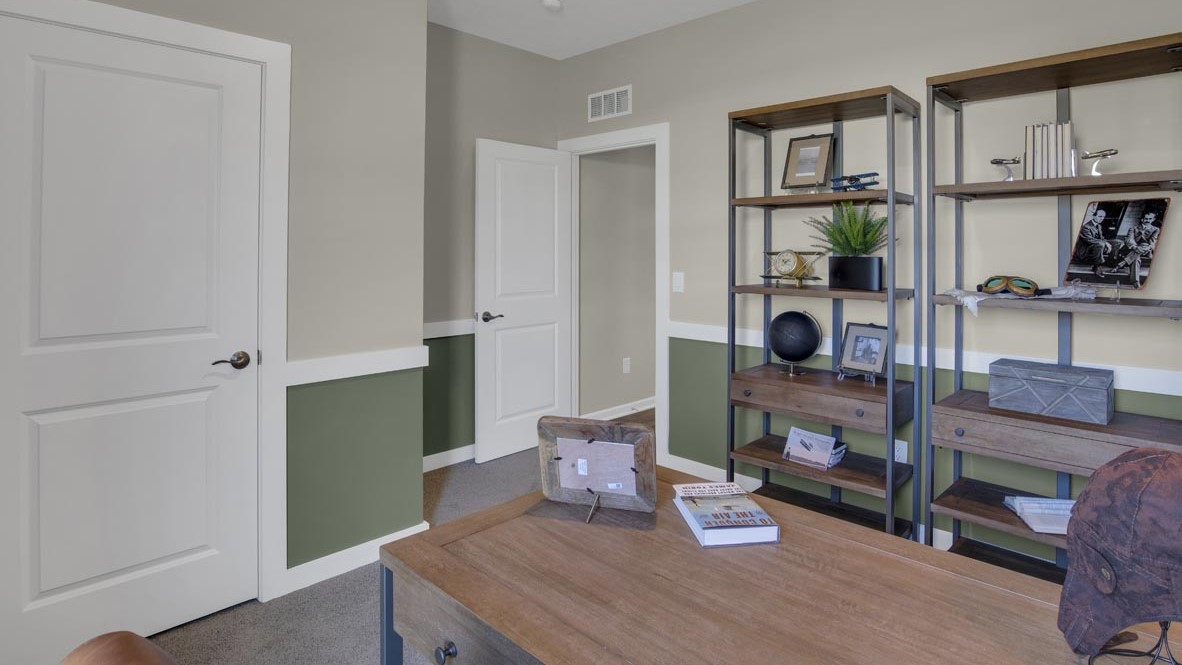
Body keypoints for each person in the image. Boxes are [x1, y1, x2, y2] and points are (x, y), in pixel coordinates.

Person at [1101, 211, 1160, 287]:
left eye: (1150, 219)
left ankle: (1119, 266)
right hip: (1132, 249)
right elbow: (1129, 239)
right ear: (1142, 219)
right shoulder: (1134, 228)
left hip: (1145, 250)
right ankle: (1135, 281)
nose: (1147, 220)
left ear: (1153, 219)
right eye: (1146, 219)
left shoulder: (1155, 229)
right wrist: (1135, 247)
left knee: (1144, 246)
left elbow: (1152, 241)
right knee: (1136, 258)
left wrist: (1148, 247)